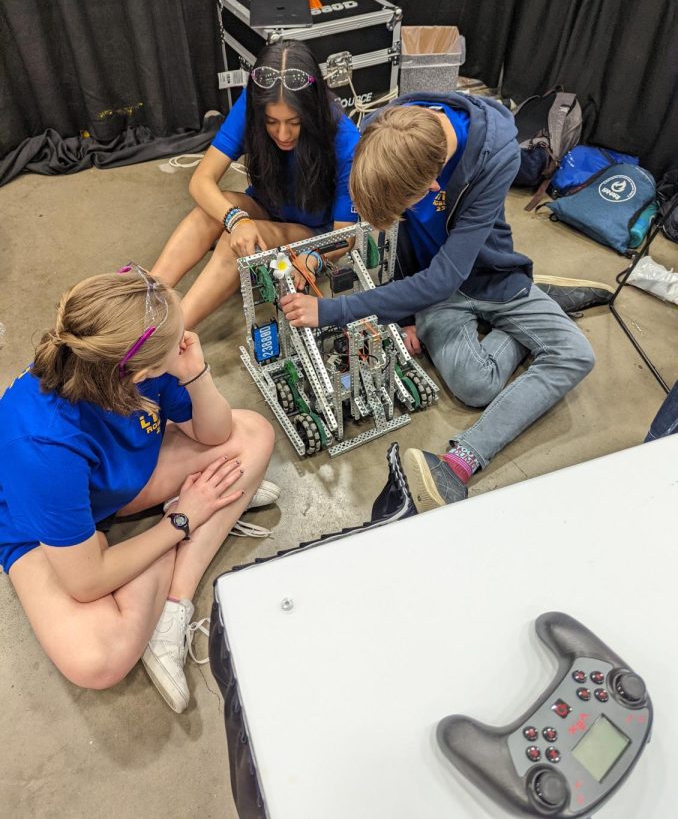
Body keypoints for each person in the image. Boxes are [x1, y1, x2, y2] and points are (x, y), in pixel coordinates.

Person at [281, 94, 596, 511]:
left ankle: (460, 460)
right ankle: (532, 312)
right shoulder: (384, 129)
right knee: (476, 385)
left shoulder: (495, 155)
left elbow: (444, 277)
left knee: (578, 354)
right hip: (434, 290)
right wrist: (402, 314)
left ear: (434, 186)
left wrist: (335, 312)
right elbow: (404, 247)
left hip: (487, 276)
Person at [0, 266, 275, 713]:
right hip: (38, 525)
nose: (187, 338)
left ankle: (173, 603)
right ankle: (198, 516)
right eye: (178, 340)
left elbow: (216, 433)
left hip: (116, 481)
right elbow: (85, 582)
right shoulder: (42, 443)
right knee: (98, 659)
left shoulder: (130, 361)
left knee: (253, 436)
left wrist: (195, 372)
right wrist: (183, 519)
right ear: (138, 371)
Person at [152, 40, 360, 328]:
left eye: (295, 122)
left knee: (231, 242)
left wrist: (313, 257)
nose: (283, 133)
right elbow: (201, 180)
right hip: (265, 206)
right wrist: (235, 219)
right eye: (271, 122)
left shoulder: (345, 139)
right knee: (211, 212)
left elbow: (345, 235)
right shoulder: (253, 103)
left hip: (311, 234)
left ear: (312, 111)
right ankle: (144, 297)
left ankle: (167, 335)